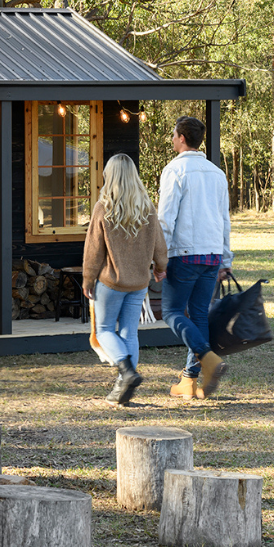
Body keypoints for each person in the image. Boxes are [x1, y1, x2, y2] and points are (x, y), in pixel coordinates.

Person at [82, 153, 168, 405]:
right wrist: (160, 267)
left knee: (104, 330)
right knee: (130, 333)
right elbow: (159, 244)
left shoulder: (103, 207)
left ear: (110, 176)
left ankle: (127, 372)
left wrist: (88, 279)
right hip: (139, 282)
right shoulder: (147, 207)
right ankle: (123, 389)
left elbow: (93, 250)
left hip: (111, 282)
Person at [158, 114, 232, 399]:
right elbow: (225, 219)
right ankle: (189, 379)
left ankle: (207, 358)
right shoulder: (216, 172)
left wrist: (159, 257)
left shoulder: (175, 170)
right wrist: (225, 259)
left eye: (174, 135)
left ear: (182, 138)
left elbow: (166, 219)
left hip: (185, 253)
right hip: (212, 253)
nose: (172, 139)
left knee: (172, 312)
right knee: (199, 313)